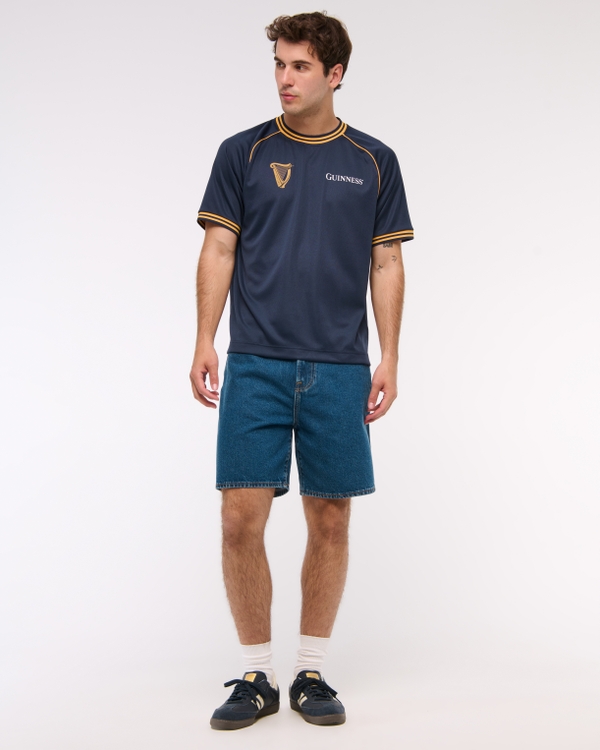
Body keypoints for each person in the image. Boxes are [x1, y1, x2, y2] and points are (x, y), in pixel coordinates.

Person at [190, 11, 413, 730]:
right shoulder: (243, 152)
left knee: (332, 518)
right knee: (238, 518)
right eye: (279, 66)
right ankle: (256, 674)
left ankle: (310, 670)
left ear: (335, 74)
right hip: (254, 362)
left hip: (339, 367)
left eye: (300, 67)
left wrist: (390, 355)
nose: (284, 79)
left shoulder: (374, 159)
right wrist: (204, 339)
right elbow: (219, 249)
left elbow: (386, 261)